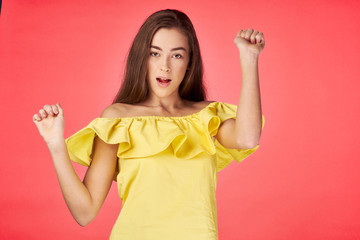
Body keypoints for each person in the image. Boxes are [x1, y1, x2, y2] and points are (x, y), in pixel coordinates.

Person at [32, 9, 265, 240]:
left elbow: (247, 138)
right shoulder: (118, 119)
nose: (165, 66)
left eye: (176, 55)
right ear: (141, 58)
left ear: (189, 63)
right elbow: (85, 212)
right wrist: (56, 145)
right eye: (155, 53)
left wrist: (249, 58)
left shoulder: (207, 116)